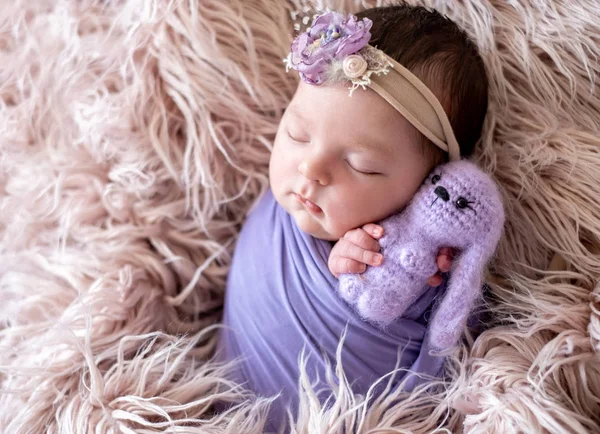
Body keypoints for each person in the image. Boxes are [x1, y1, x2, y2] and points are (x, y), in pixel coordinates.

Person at [216, 3, 489, 431]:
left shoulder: (417, 261)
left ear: (428, 184)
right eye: (296, 134)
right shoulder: (278, 206)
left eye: (360, 165)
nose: (311, 168)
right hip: (218, 403)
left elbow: (457, 335)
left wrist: (410, 274)